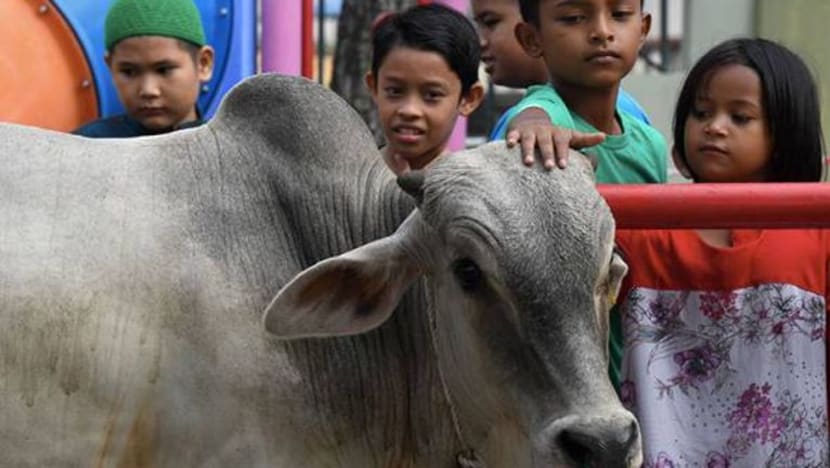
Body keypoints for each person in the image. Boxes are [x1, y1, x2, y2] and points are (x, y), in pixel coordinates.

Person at [616, 38, 828, 466]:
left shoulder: (818, 234)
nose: (714, 126)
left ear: (786, 132)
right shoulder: (643, 233)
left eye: (740, 116)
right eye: (701, 111)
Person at [471, 0, 650, 141]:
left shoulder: (644, 137)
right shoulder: (527, 128)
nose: (603, 31)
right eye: (574, 17)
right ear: (531, 38)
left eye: (490, 22)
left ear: (643, 29)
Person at [365, 4, 485, 175]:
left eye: (432, 95)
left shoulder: (470, 191)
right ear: (374, 87)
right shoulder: (348, 183)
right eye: (395, 91)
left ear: (469, 98)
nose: (409, 110)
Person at [73, 0, 214, 138]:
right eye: (129, 72)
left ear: (203, 64)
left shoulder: (225, 150)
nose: (148, 90)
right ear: (110, 66)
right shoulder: (85, 148)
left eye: (163, 70)